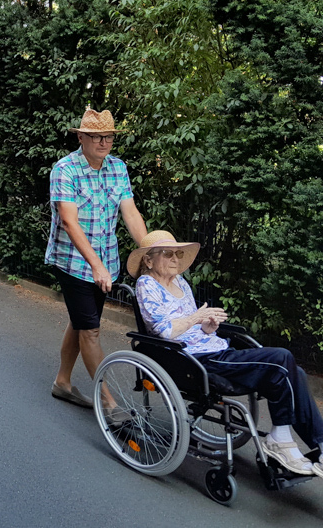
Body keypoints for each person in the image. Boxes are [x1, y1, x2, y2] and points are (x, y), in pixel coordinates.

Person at [132, 230, 323, 476]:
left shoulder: (180, 283)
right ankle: (281, 440)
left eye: (178, 253)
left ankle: (316, 444)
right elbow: (164, 331)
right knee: (281, 358)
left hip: (214, 349)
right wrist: (195, 318)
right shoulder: (146, 284)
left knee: (295, 373)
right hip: (192, 360)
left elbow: (194, 326)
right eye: (168, 254)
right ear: (149, 260)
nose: (175, 259)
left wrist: (207, 325)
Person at [45, 108, 146, 409]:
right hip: (73, 262)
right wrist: (96, 265)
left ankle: (62, 382)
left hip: (107, 262)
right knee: (90, 329)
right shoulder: (65, 170)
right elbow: (69, 221)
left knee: (81, 321)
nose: (104, 142)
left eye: (109, 137)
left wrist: (149, 251)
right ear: (81, 137)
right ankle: (109, 404)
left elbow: (130, 213)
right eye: (96, 136)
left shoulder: (118, 168)